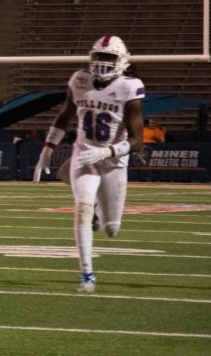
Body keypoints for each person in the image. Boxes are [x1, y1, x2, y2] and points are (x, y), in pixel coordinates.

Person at [33, 36, 145, 293]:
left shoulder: (130, 87)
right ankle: (87, 275)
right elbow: (64, 115)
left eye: (109, 58)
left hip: (114, 161)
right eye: (99, 57)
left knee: (112, 229)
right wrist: (47, 148)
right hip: (84, 155)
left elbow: (138, 140)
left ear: (122, 61)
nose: (102, 63)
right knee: (81, 207)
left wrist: (107, 151)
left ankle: (98, 209)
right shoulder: (79, 80)